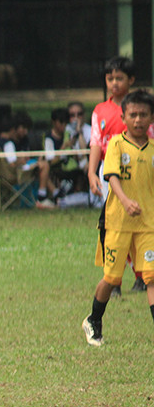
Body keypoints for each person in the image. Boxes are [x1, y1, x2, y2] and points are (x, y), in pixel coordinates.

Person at [82, 89, 154, 346]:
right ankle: (94, 320)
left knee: (151, 276)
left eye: (143, 115)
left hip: (147, 224)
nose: (138, 120)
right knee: (112, 278)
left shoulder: (152, 149)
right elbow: (112, 177)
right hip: (118, 222)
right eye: (133, 115)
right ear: (123, 118)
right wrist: (125, 201)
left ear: (151, 118)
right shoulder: (116, 144)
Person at [88, 56, 147, 294]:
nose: (114, 83)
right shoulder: (100, 111)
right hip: (110, 173)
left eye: (119, 78)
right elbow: (96, 142)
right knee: (112, 226)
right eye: (110, 78)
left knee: (139, 222)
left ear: (131, 80)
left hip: (138, 171)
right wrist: (92, 172)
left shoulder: (140, 110)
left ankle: (143, 275)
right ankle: (113, 279)